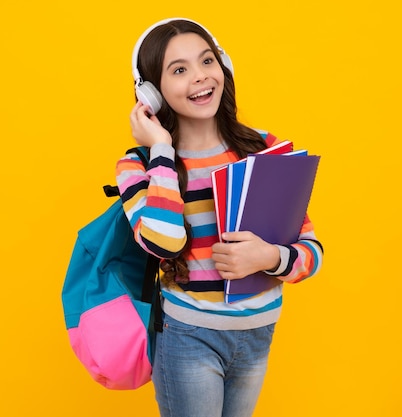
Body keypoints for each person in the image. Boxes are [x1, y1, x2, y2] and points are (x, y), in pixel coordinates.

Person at [116, 18, 324, 417]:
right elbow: (162, 242)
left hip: (258, 334)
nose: (200, 77)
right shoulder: (138, 165)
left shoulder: (264, 148)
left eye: (207, 61)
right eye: (179, 70)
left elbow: (313, 254)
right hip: (189, 337)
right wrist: (161, 149)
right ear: (151, 94)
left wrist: (268, 258)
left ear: (223, 66)